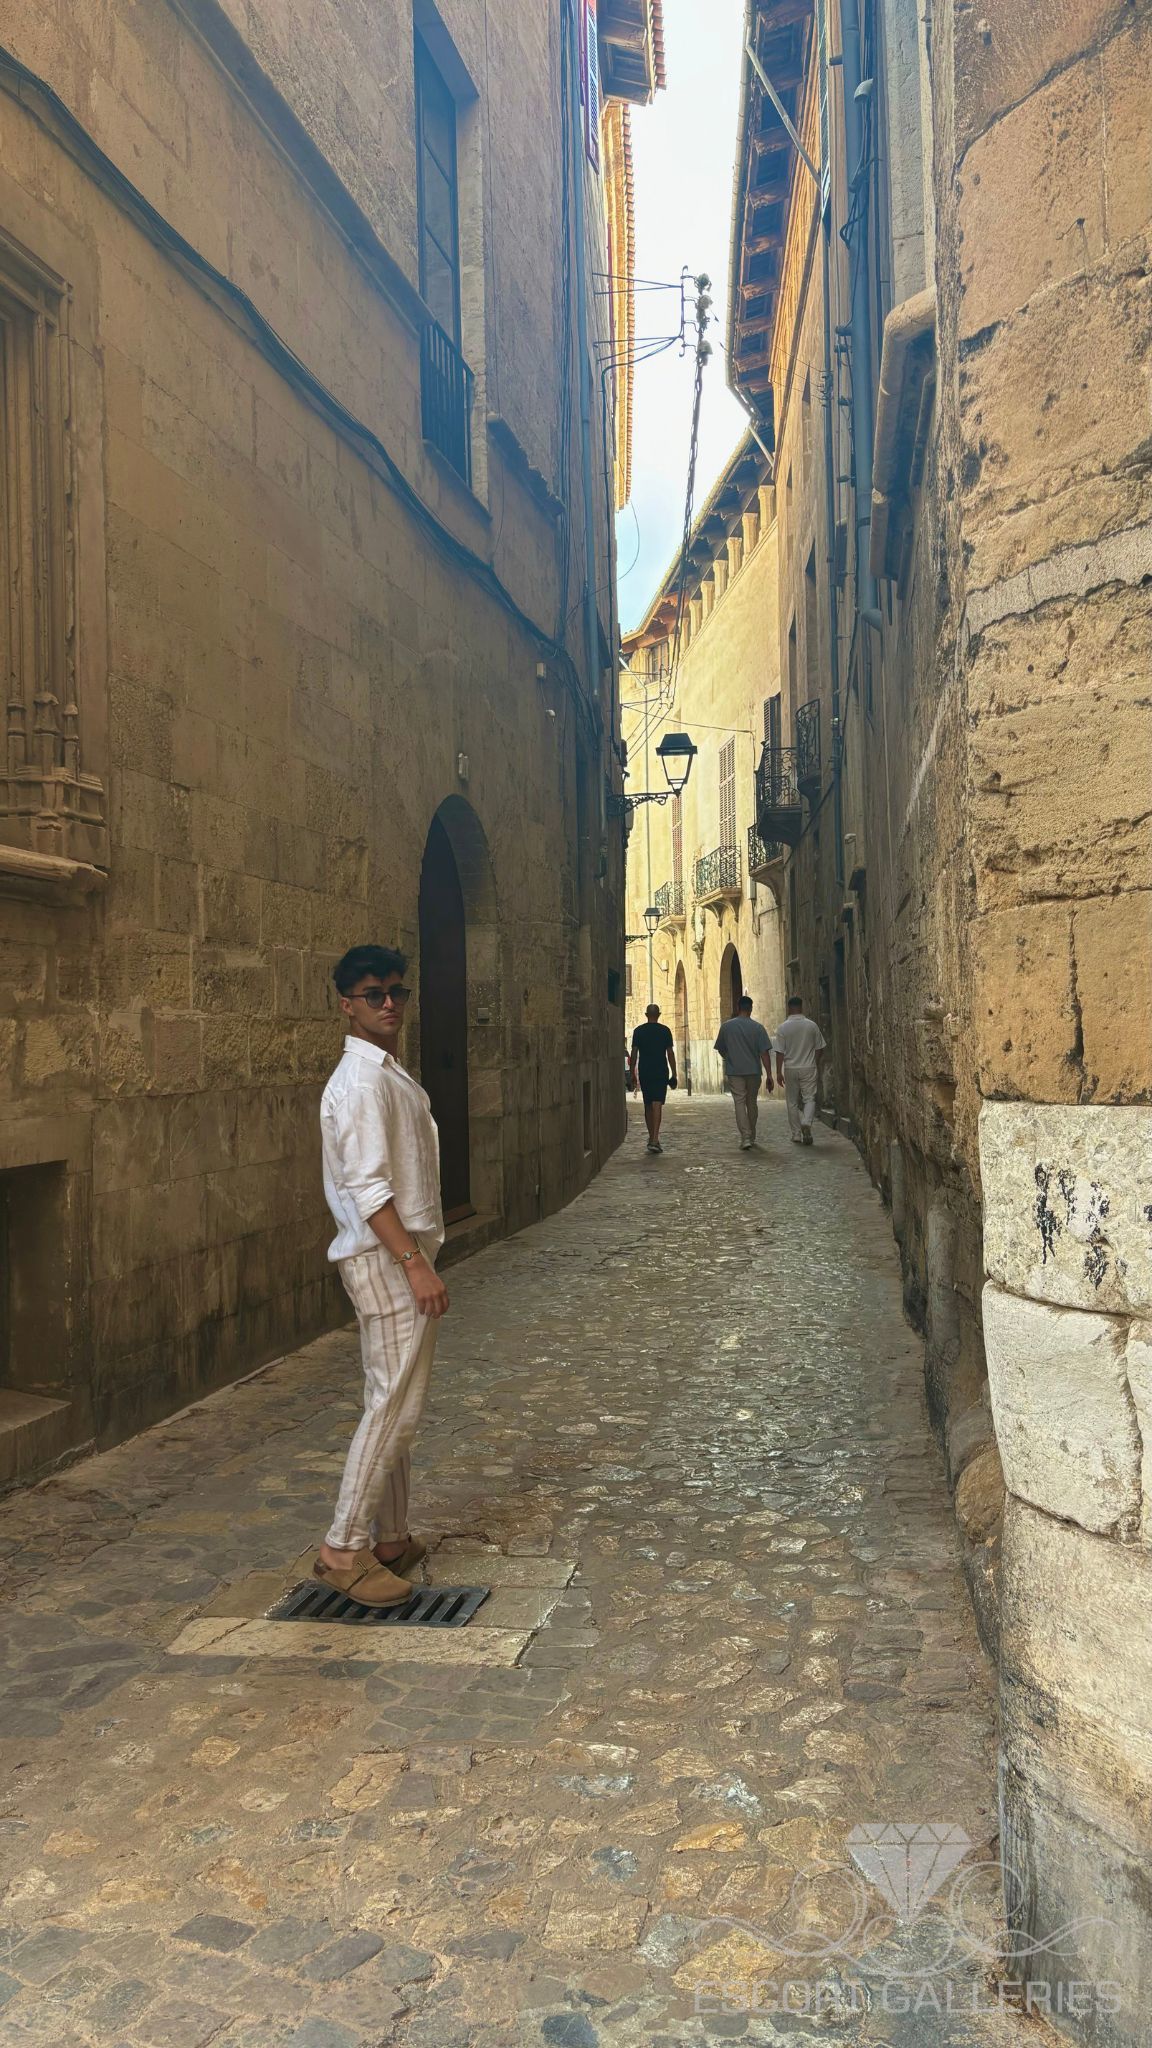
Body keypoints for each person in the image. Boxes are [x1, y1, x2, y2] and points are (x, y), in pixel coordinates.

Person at [314, 944, 449, 1608]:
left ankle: (390, 1538)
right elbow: (369, 1190)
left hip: (393, 1256)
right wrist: (414, 1265)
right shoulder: (363, 1082)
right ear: (347, 1004)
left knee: (397, 1399)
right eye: (374, 994)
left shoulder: (383, 1071)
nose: (390, 1003)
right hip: (386, 1258)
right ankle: (343, 1549)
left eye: (398, 991)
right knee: (392, 1405)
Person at [714, 994, 774, 1149]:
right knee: (751, 1102)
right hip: (753, 1071)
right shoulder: (758, 1028)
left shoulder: (726, 1027)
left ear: (738, 1008)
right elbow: (764, 1053)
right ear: (751, 1009)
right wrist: (769, 1074)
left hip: (735, 1071)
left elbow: (720, 1048)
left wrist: (729, 1057)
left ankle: (745, 1137)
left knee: (739, 1102)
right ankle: (751, 1135)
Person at [774, 993, 827, 1145]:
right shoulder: (812, 1025)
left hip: (790, 1068)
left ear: (789, 1008)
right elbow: (820, 1047)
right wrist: (814, 1061)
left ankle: (796, 1134)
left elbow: (780, 1052)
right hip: (808, 1067)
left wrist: (778, 1072)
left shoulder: (782, 1028)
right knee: (809, 1098)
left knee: (792, 1102)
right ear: (801, 1007)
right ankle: (806, 1122)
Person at [629, 1002, 677, 1154]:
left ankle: (652, 1138)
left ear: (646, 1015)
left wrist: (632, 1073)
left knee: (648, 1104)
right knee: (657, 1104)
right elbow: (670, 1053)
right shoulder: (665, 1031)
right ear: (659, 1015)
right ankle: (655, 1139)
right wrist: (674, 1073)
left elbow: (634, 1053)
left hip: (645, 1071)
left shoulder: (638, 1031)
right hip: (660, 1071)